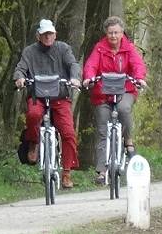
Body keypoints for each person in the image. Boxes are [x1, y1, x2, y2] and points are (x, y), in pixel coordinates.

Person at [14, 19, 82, 189]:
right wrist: (20, 78)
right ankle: (34, 142)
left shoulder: (63, 49)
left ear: (55, 34)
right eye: (44, 34)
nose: (47, 37)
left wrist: (74, 78)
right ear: (38, 35)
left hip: (60, 97)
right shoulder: (29, 52)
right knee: (33, 115)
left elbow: (73, 64)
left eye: (50, 33)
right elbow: (20, 68)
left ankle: (66, 172)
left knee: (68, 133)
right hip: (37, 96)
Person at [81, 16, 148, 185]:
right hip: (103, 93)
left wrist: (139, 78)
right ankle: (102, 172)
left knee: (124, 109)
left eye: (116, 32)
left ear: (121, 33)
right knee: (103, 129)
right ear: (106, 33)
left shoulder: (128, 48)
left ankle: (128, 142)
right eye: (110, 33)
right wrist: (88, 78)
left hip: (125, 90)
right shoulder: (99, 48)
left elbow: (137, 64)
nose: (113, 36)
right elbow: (91, 65)